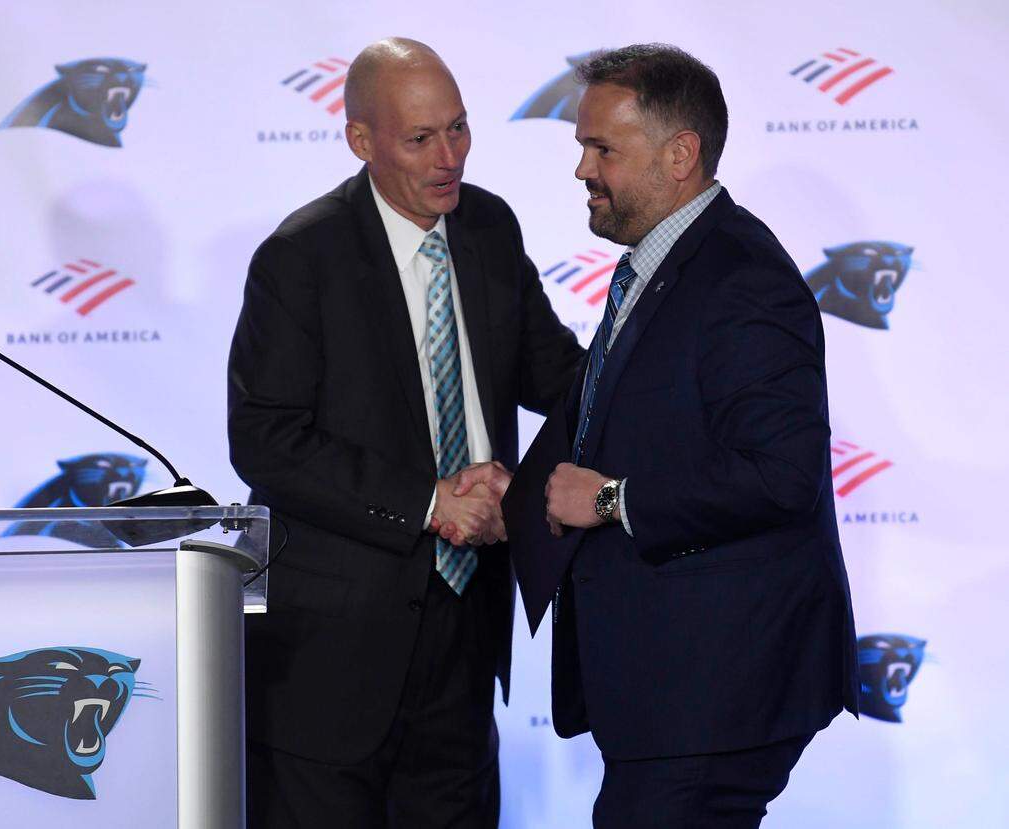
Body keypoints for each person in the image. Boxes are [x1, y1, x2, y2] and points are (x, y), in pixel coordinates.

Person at [227, 37, 583, 828]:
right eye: (422, 138)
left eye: (459, 129)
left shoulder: (489, 227)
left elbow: (556, 377)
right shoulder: (300, 257)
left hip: (465, 634)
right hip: (330, 660)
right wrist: (428, 502)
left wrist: (658, 384)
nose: (449, 156)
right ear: (362, 141)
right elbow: (264, 437)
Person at [501, 44, 860, 828]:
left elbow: (781, 473)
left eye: (602, 148)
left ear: (680, 155)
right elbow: (632, 417)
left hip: (716, 695)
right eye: (581, 147)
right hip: (673, 692)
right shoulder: (666, 264)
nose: (582, 169)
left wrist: (609, 497)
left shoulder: (742, 277)